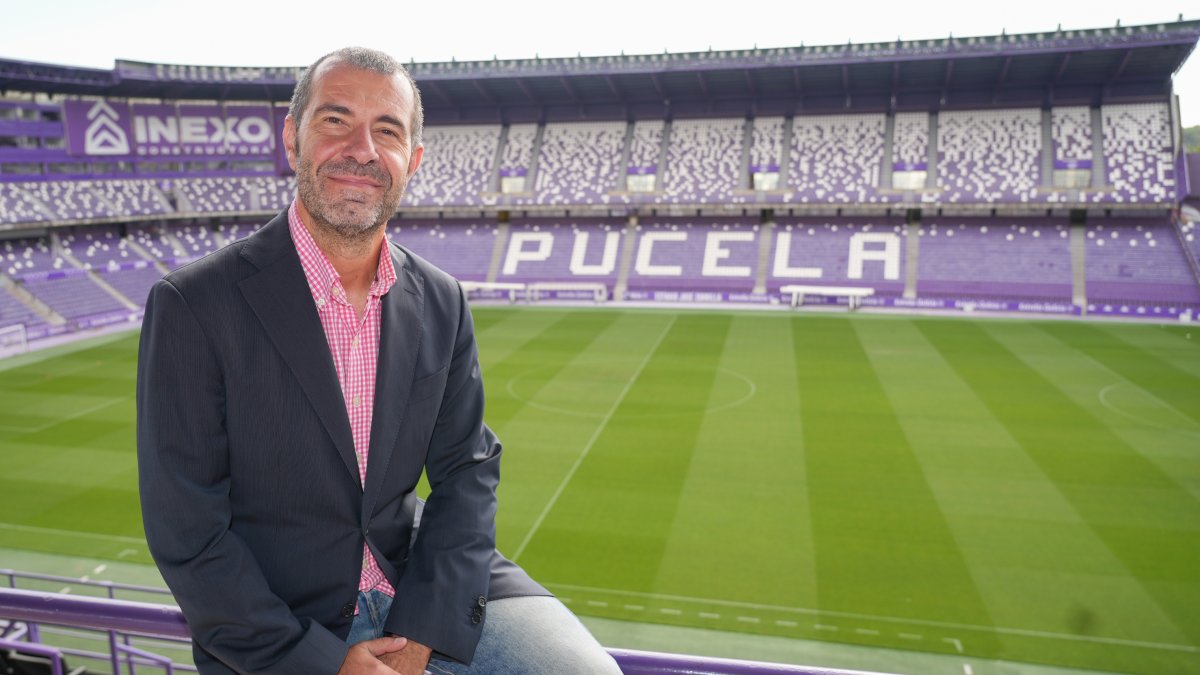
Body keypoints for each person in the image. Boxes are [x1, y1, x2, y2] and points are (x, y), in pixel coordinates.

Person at [137, 47, 621, 675]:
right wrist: (323, 664)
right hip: (283, 619)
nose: (361, 149)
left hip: (417, 581)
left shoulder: (441, 299)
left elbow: (466, 473)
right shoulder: (193, 305)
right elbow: (188, 533)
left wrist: (425, 628)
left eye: (387, 130)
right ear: (293, 138)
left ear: (412, 160)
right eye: (335, 121)